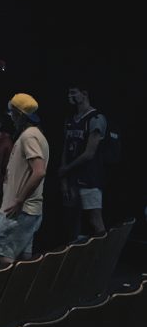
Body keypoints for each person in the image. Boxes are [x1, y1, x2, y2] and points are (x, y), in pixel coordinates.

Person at [0, 93, 49, 264]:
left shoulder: (29, 136)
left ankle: (9, 290)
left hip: (19, 210)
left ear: (19, 114)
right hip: (29, 209)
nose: (10, 117)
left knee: (4, 253)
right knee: (24, 257)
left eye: (12, 113)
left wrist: (19, 200)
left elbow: (39, 171)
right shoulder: (36, 134)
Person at [58, 84, 107, 241]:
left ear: (84, 93)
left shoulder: (96, 118)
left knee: (94, 220)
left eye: (73, 92)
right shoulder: (69, 120)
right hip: (72, 180)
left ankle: (103, 255)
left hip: (90, 179)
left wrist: (66, 169)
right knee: (72, 221)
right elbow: (65, 149)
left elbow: (89, 153)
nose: (69, 96)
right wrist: (64, 178)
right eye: (68, 92)